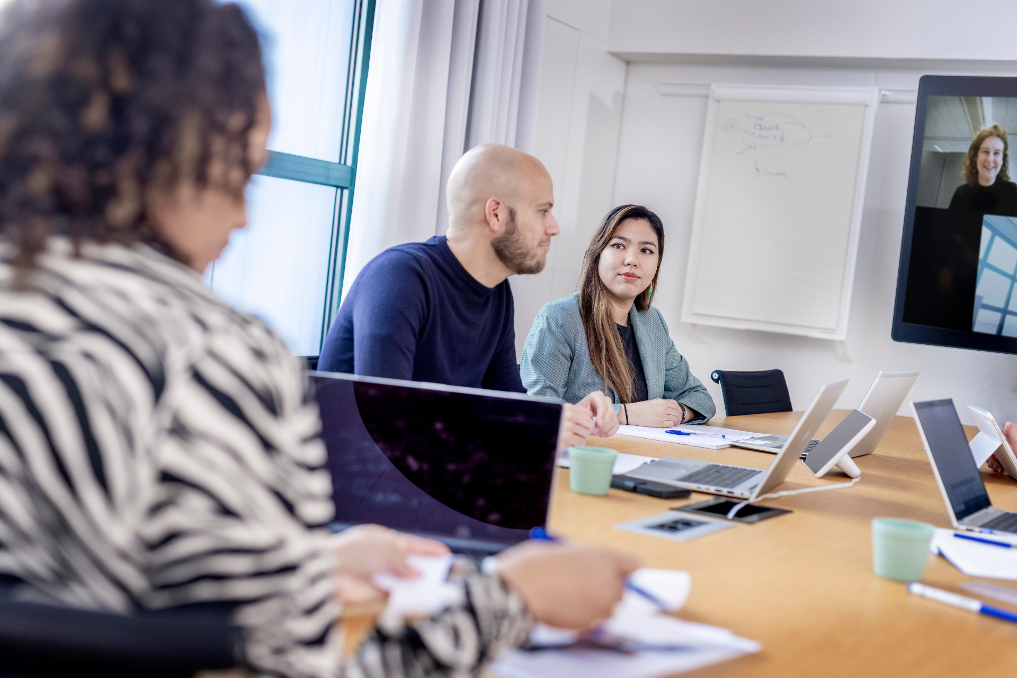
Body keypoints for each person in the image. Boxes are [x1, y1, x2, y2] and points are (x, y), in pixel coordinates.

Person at [0, 2, 639, 677]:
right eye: (241, 170)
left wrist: (300, 565)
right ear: (176, 153)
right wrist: (513, 598)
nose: (245, 216)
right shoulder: (216, 358)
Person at [318, 144, 619, 448]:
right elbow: (390, 421)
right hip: (356, 483)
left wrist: (567, 417)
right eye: (543, 211)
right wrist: (530, 426)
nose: (553, 227)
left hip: (430, 478)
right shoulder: (399, 277)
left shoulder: (497, 293)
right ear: (496, 214)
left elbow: (507, 403)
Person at [520, 205, 715, 428]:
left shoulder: (652, 322)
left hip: (645, 454)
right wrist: (625, 414)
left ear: (656, 266)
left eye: (647, 250)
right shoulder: (558, 318)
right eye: (619, 245)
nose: (632, 260)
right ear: (598, 254)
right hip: (586, 454)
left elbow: (699, 397)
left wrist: (677, 412)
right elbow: (538, 407)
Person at [948, 124, 1017, 216]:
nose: (990, 159)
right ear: (975, 156)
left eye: (996, 153)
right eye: (985, 151)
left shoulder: (1012, 192)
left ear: (1002, 160)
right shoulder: (961, 193)